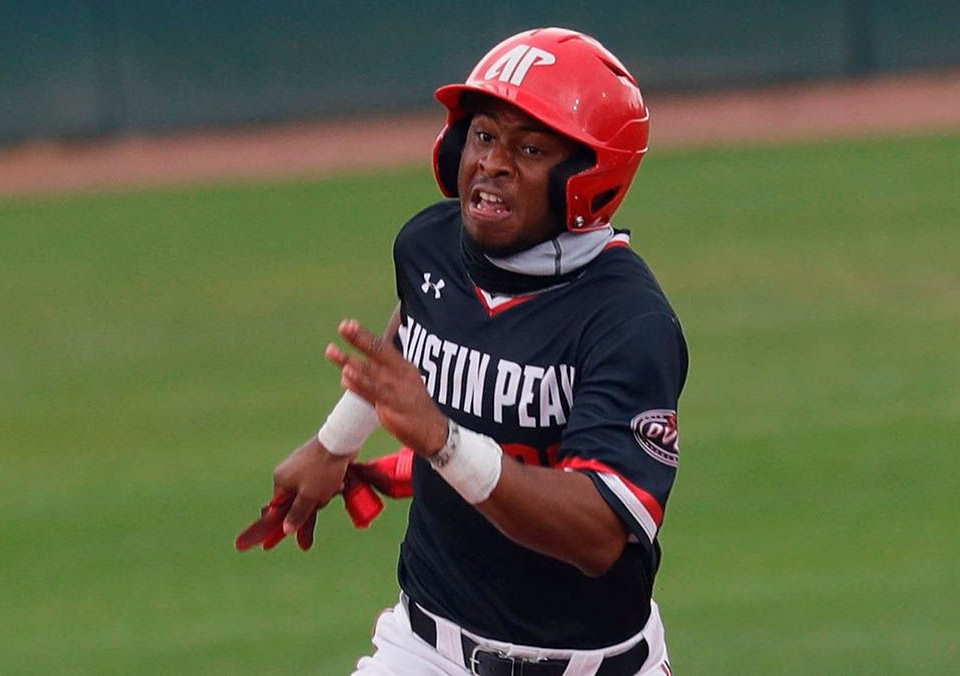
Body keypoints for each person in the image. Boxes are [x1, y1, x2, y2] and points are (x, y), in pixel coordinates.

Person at [260, 27, 687, 675]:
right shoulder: (431, 245)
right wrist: (334, 443)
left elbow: (600, 533)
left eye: (531, 147)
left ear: (587, 179)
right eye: (484, 135)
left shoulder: (626, 322)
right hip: (425, 648)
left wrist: (442, 440)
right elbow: (415, 327)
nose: (492, 162)